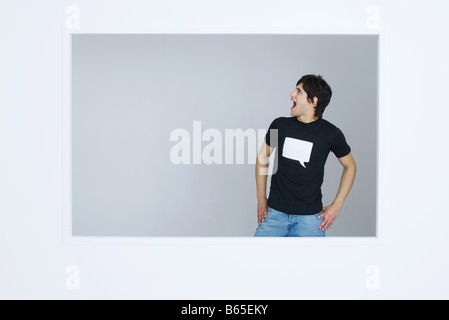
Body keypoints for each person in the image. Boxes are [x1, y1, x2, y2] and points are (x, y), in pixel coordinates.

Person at [254, 74, 356, 237]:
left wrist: (337, 205)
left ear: (313, 101)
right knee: (256, 259)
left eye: (298, 91)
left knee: (312, 263)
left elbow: (350, 166)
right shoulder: (279, 125)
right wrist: (261, 198)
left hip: (310, 220)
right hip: (274, 216)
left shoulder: (331, 134)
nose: (291, 94)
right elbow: (262, 159)